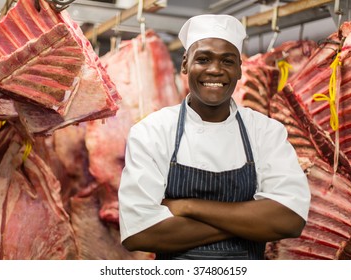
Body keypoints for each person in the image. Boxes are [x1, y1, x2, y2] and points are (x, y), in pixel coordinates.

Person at [118, 14, 311, 260]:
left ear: (239, 70)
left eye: (227, 61)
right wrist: (250, 224)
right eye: (203, 59)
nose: (215, 70)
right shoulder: (152, 132)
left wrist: (187, 206)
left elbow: (289, 220)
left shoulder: (266, 131)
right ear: (185, 64)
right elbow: (138, 233)